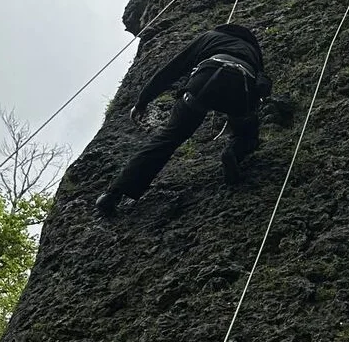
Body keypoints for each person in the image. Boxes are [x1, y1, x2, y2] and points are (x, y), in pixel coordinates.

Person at [95, 24, 272, 215]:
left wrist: (142, 101)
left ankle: (114, 194)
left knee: (167, 139)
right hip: (241, 84)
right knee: (248, 134)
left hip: (204, 80)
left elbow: (172, 69)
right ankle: (233, 152)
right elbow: (261, 82)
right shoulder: (253, 50)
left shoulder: (210, 36)